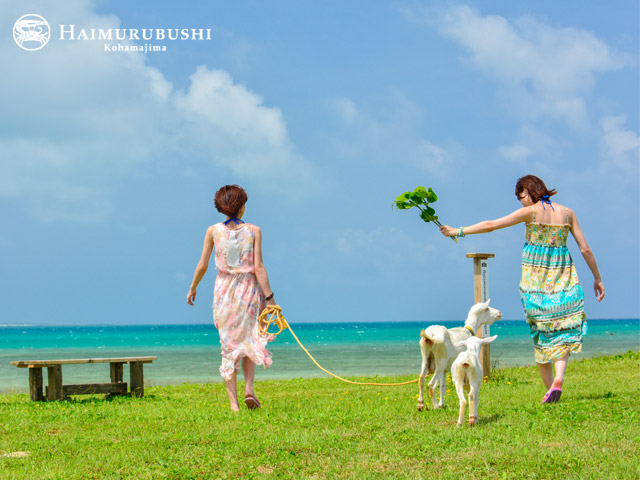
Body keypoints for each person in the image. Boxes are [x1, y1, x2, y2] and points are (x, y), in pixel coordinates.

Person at [440, 175, 605, 404]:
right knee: (564, 333)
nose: (521, 202)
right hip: (565, 280)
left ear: (530, 191)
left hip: (535, 286)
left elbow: (491, 225)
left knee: (541, 336)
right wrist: (597, 278)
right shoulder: (568, 213)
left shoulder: (532, 212)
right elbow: (585, 249)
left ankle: (551, 389)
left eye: (521, 196)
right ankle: (558, 379)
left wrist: (457, 231)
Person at [187, 185, 276, 412]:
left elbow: (202, 265)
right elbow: (259, 267)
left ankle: (234, 405)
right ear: (242, 206)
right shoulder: (254, 230)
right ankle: (249, 389)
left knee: (229, 345)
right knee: (250, 339)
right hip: (249, 290)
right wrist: (270, 298)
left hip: (224, 290)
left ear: (222, 207)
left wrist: (193, 288)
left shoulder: (213, 230)